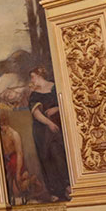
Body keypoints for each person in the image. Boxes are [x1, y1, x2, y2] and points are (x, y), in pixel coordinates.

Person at [28, 66, 70, 201]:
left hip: (60, 126)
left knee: (61, 154)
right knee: (48, 158)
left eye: (33, 76)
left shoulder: (54, 88)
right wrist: (49, 123)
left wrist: (57, 108)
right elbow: (36, 113)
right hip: (43, 131)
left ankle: (68, 186)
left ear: (40, 75)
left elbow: (67, 101)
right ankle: (56, 191)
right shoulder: (34, 94)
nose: (32, 80)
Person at [0, 109, 26, 204]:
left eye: (2, 125)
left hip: (15, 162)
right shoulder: (0, 135)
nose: (1, 128)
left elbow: (19, 154)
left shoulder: (14, 134)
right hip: (6, 162)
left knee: (17, 188)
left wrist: (18, 172)